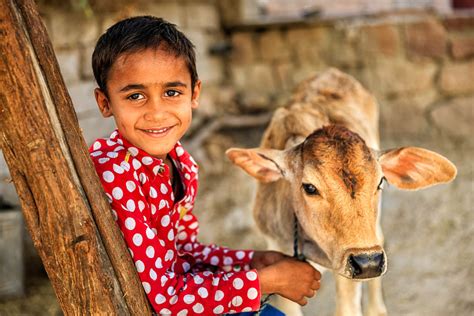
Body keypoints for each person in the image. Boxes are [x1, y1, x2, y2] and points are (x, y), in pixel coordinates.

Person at [89, 16, 321, 315]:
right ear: (105, 102)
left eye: (172, 92)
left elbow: (182, 253)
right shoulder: (115, 173)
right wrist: (263, 282)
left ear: (194, 94)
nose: (157, 113)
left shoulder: (181, 164)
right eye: (136, 96)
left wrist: (249, 261)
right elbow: (166, 298)